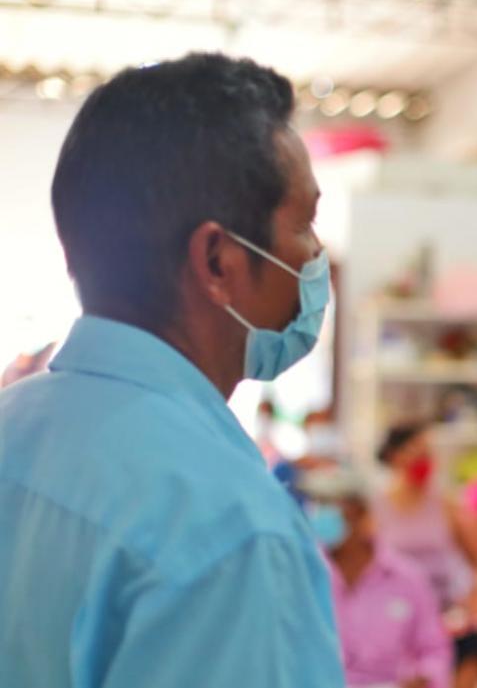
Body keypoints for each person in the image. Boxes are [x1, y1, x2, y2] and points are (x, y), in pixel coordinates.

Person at [0, 54, 343, 686]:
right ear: (218, 260)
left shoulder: (13, 428)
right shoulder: (230, 531)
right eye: (306, 224)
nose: (317, 256)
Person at [299, 467, 454, 688]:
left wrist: (424, 678)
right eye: (317, 503)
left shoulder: (407, 578)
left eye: (330, 503)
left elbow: (434, 649)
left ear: (359, 511)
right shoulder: (305, 576)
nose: (320, 512)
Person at [375, 422, 477, 688]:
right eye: (418, 453)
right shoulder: (375, 509)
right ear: (395, 456)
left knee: (471, 648)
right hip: (394, 614)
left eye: (428, 454)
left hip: (446, 610)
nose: (424, 461)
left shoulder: (447, 505)